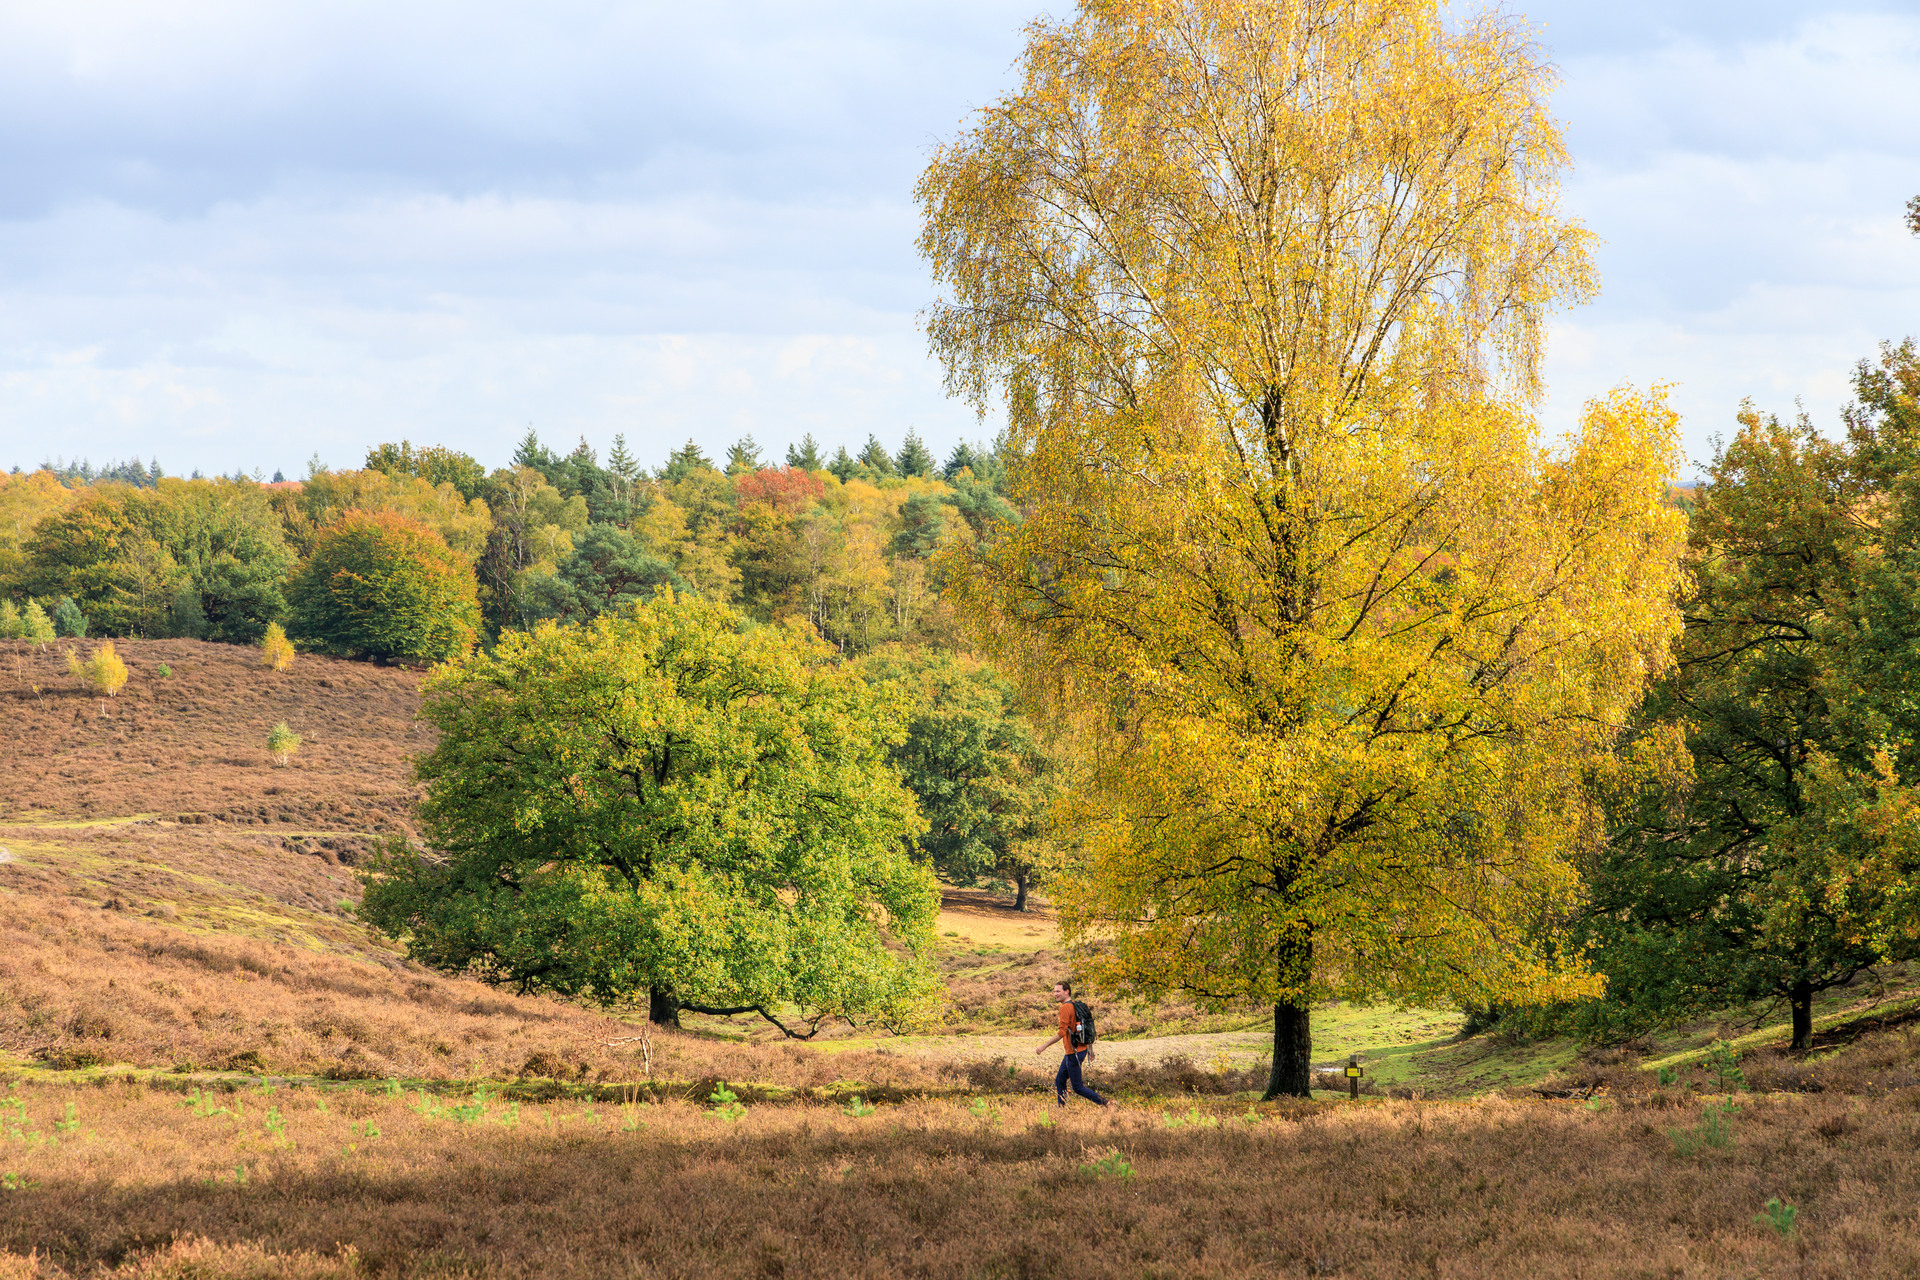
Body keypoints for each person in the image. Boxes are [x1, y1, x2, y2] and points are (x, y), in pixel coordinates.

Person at [1034, 979, 1109, 1107]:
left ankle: (1106, 1103)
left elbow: (1062, 1032)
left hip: (1073, 1052)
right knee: (1060, 1080)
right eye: (1054, 991)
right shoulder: (1075, 1005)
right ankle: (1061, 1109)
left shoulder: (1065, 1008)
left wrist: (1043, 1046)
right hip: (1078, 1050)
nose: (1055, 994)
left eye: (1058, 991)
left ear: (1066, 991)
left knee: (1078, 1087)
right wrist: (1090, 1049)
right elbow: (1086, 1028)